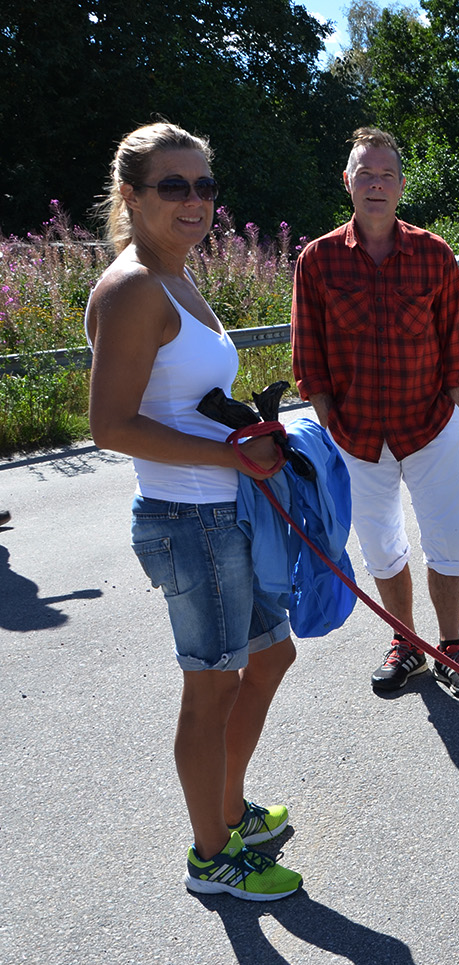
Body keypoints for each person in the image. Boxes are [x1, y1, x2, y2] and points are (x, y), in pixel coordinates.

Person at [86, 122, 301, 900]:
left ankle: (229, 809)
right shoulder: (133, 286)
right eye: (173, 186)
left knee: (270, 657)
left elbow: (177, 400)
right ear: (131, 197)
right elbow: (109, 426)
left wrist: (249, 433)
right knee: (209, 688)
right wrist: (228, 455)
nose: (194, 201)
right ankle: (212, 857)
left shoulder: (176, 274)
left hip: (226, 511)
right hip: (190, 521)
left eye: (204, 185)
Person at [292, 127, 459, 698]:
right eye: (365, 174)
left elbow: (458, 339)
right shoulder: (317, 260)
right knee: (380, 545)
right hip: (355, 434)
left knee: (449, 540)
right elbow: (309, 352)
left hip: (429, 425)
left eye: (387, 175)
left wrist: (452, 403)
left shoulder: (434, 253)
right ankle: (408, 646)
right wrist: (327, 417)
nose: (376, 184)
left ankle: (450, 647)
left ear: (401, 184)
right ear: (348, 182)